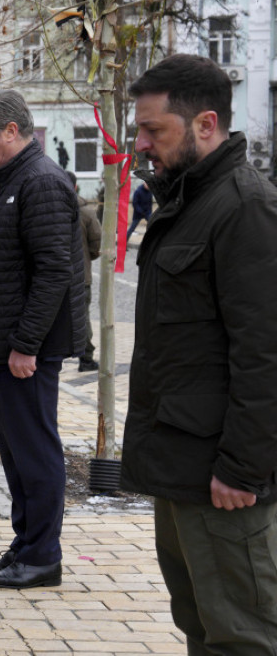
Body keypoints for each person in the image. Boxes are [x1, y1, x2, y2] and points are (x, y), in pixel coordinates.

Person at [121, 54, 277, 654]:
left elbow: (264, 356)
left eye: (153, 130)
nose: (140, 145)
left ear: (205, 124)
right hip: (183, 469)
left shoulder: (245, 208)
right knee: (203, 628)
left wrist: (242, 469)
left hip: (224, 479)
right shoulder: (186, 203)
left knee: (243, 636)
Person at [0, 89, 86, 590]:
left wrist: (27, 344)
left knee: (34, 450)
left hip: (23, 350)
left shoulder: (41, 182)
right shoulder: (2, 179)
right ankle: (24, 544)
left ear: (12, 131)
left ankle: (42, 556)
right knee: (14, 452)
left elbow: (54, 272)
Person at [67, 171, 102, 372]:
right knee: (82, 317)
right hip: (81, 275)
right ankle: (86, 358)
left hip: (51, 276)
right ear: (76, 186)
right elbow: (96, 245)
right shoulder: (87, 212)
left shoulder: (52, 208)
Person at [126, 180, 153, 245]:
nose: (148, 186)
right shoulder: (138, 191)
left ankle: (151, 243)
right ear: (144, 183)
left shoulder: (150, 192)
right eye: (147, 185)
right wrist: (140, 211)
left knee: (152, 225)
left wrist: (149, 211)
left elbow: (150, 203)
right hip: (138, 213)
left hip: (147, 213)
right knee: (132, 228)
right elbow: (135, 204)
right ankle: (124, 243)